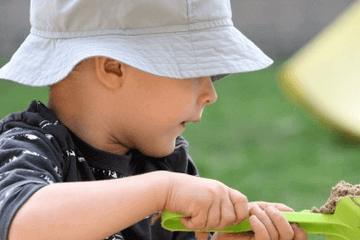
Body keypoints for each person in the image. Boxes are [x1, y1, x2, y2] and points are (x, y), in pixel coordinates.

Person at [0, 0, 307, 240]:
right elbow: (20, 224)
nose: (211, 93)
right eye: (194, 70)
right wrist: (161, 191)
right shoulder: (29, 147)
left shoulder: (167, 166)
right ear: (114, 68)